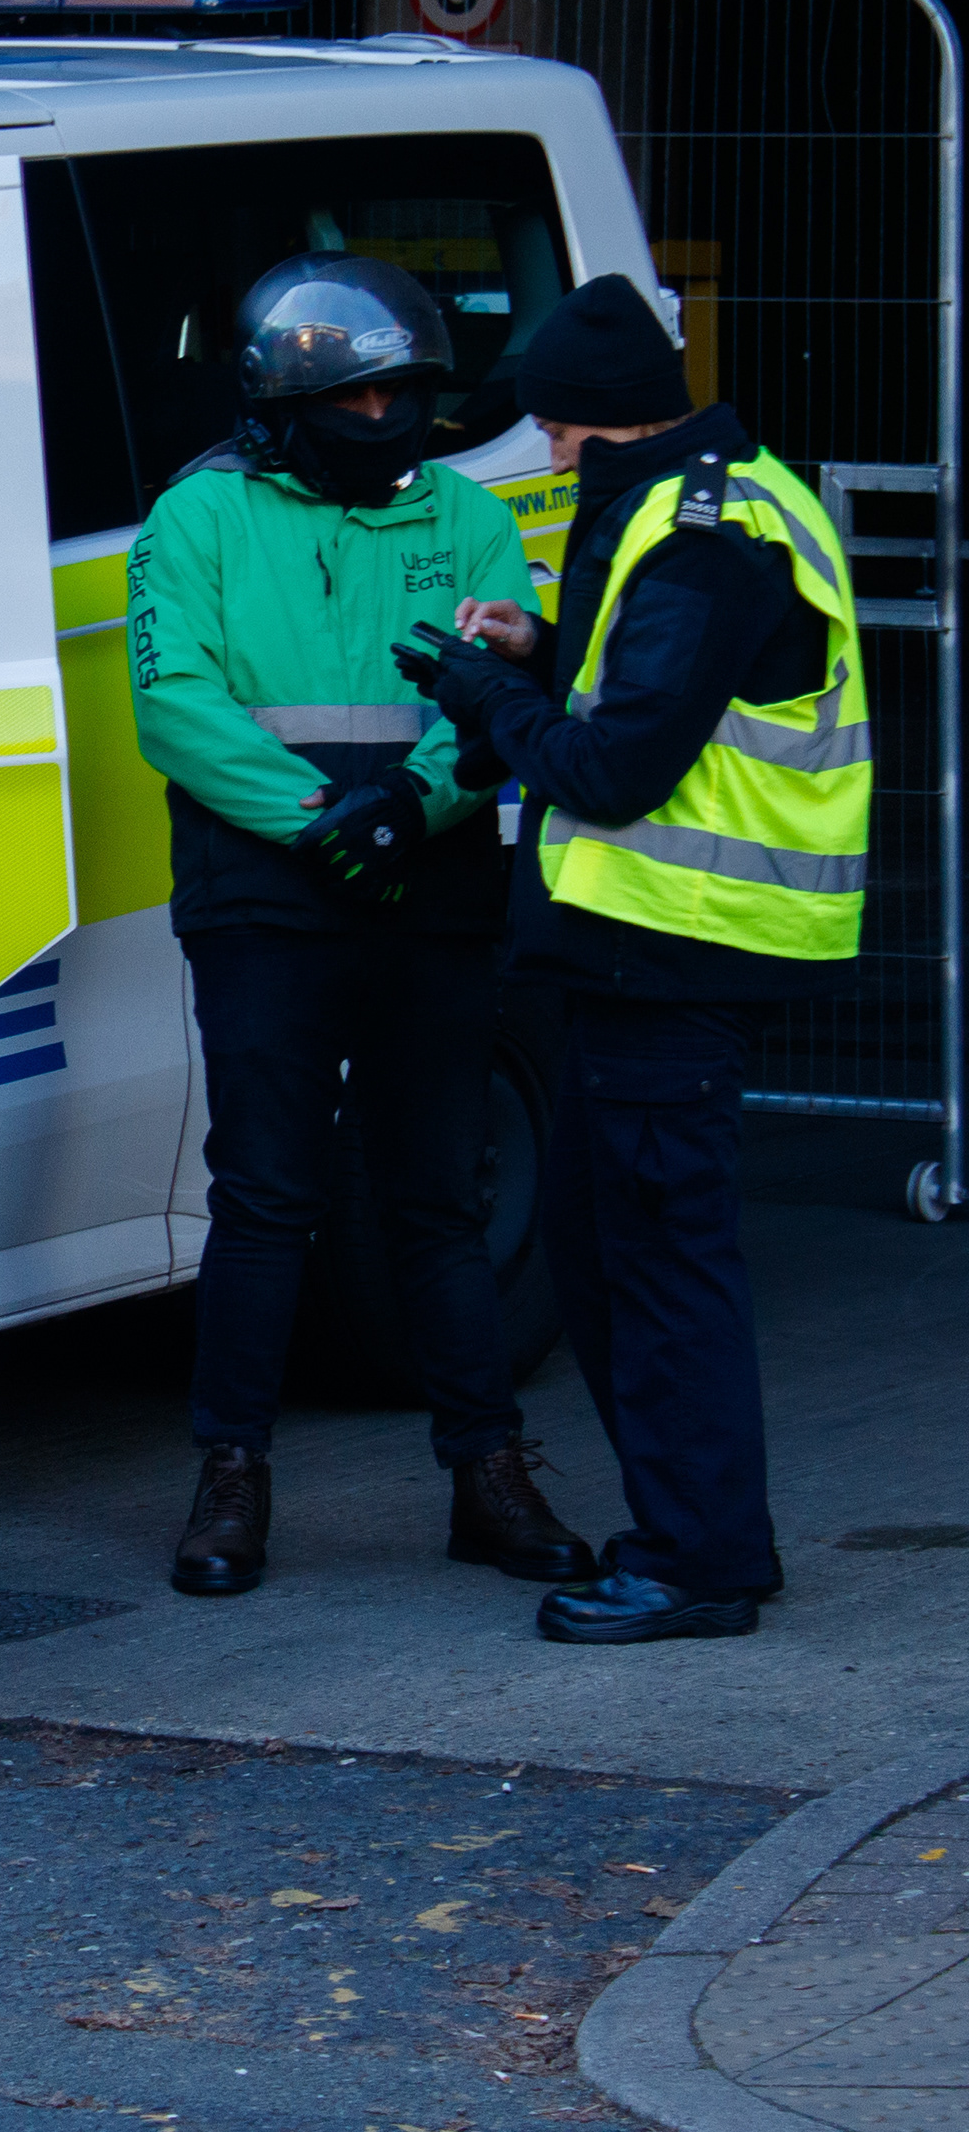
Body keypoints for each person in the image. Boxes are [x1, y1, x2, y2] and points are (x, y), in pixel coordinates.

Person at [396, 273, 868, 1643]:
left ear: (601, 419)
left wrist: (491, 694)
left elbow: (614, 768)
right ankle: (693, 1538)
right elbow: (664, 697)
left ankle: (701, 1564)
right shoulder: (700, 503)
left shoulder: (704, 536)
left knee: (660, 1271)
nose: (544, 450)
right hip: (642, 955)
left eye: (550, 428)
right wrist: (541, 654)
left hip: (680, 951)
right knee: (614, 1260)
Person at [124, 253, 592, 1598]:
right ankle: (231, 1478)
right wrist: (328, 820)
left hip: (430, 890)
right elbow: (173, 704)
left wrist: (413, 804)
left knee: (437, 1198)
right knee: (265, 1196)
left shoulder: (471, 516)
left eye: (402, 397)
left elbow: (496, 693)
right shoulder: (197, 517)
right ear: (279, 405)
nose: (382, 419)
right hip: (266, 897)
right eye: (353, 399)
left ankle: (489, 1477)